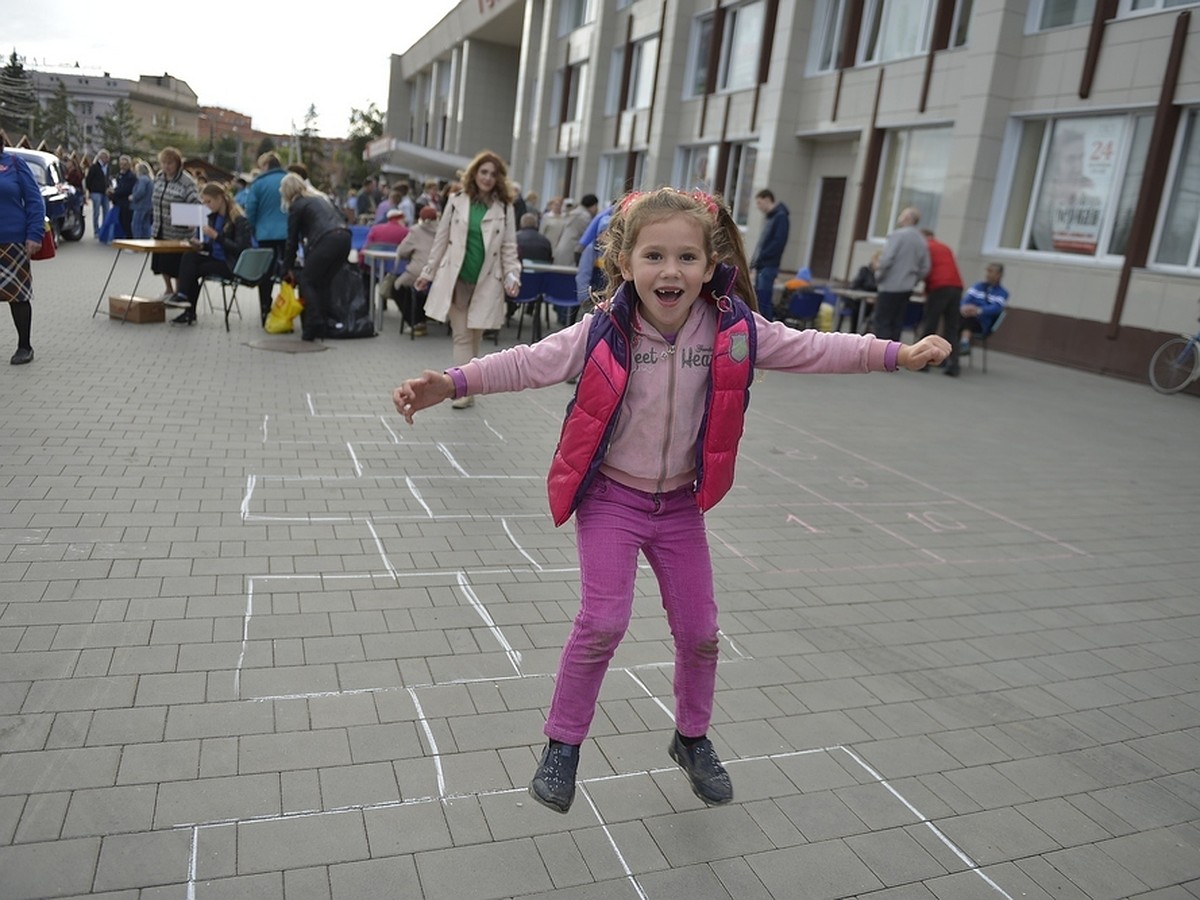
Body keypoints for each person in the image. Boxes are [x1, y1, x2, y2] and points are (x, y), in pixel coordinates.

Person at [391, 187, 951, 814]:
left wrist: (896, 354)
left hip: (678, 507)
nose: (671, 270)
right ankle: (563, 745)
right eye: (654, 255)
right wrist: (455, 380)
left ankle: (691, 738)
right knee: (603, 622)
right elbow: (530, 362)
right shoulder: (604, 329)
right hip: (611, 499)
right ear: (626, 264)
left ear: (709, 269)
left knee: (702, 634)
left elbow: (815, 347)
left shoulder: (733, 329)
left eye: (687, 258)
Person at [414, 149, 521, 409]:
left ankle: (468, 386)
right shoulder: (456, 200)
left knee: (475, 337)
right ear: (474, 174)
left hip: (487, 282)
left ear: (499, 179)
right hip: (457, 280)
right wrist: (427, 273)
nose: (487, 178)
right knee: (462, 336)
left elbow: (508, 246)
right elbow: (441, 240)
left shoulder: (504, 208)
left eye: (493, 174)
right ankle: (461, 391)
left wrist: (512, 276)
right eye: (483, 172)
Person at [162, 183, 253, 325]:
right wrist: (202, 245)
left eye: (209, 201)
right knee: (189, 256)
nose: (206, 205)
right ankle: (183, 298)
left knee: (194, 270)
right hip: (217, 259)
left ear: (220, 199)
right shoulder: (214, 217)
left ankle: (187, 306)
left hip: (230, 264)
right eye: (204, 202)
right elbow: (214, 247)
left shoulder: (238, 219)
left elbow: (241, 248)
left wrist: (217, 236)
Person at [280, 173, 351, 342]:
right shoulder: (320, 199)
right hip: (344, 238)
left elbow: (291, 241)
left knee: (307, 280)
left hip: (327, 240)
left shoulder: (297, 205)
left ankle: (314, 322)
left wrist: (286, 267)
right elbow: (343, 217)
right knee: (323, 282)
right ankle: (323, 324)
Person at [0, 138, 46, 365]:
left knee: (17, 296)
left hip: (12, 241)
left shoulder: (15, 164)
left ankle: (24, 346)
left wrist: (34, 234)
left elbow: (35, 201)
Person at [150, 147, 201, 301]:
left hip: (179, 232)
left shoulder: (186, 181)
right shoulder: (159, 177)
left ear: (178, 164)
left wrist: (192, 220)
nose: (166, 166)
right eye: (163, 163)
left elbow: (196, 203)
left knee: (176, 264)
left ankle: (180, 292)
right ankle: (168, 289)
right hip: (160, 227)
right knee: (161, 263)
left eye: (170, 163)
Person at [244, 153, 288, 325]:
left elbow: (251, 209)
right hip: (287, 234)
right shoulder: (289, 179)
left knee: (266, 273)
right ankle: (286, 307)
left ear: (266, 165)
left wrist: (254, 228)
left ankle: (265, 308)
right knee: (287, 271)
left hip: (265, 234)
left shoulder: (259, 183)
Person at [873, 206, 930, 341]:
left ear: (908, 218)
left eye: (902, 214)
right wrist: (914, 280)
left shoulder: (897, 235)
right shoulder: (921, 239)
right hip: (906, 288)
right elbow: (925, 267)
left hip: (889, 286)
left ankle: (880, 358)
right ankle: (893, 356)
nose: (899, 216)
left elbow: (886, 260)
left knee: (882, 323)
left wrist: (878, 276)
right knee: (897, 323)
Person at [918, 229, 965, 376]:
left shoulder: (925, 247)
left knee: (930, 324)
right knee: (951, 327)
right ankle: (953, 365)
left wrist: (926, 291)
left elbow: (926, 269)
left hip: (938, 287)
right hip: (956, 287)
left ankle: (922, 362)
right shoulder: (945, 247)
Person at [390, 205, 439, 336]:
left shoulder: (416, 231)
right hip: (440, 276)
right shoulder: (443, 230)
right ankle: (424, 317)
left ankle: (416, 322)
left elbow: (402, 251)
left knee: (397, 288)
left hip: (419, 273)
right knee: (424, 291)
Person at [750, 188, 790, 323]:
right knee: (760, 298)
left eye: (760, 203)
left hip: (768, 265)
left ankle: (766, 326)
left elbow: (778, 243)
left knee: (764, 299)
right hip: (763, 265)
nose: (759, 207)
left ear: (767, 199)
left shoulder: (780, 217)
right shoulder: (773, 217)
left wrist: (761, 258)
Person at [960, 262, 1009, 351]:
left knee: (968, 320)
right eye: (987, 271)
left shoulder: (1002, 293)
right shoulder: (978, 286)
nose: (987, 274)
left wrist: (978, 310)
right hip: (966, 316)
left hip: (982, 323)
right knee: (953, 319)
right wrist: (964, 307)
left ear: (999, 275)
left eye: (991, 271)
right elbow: (965, 300)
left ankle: (964, 343)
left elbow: (996, 309)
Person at [553, 194, 598, 266]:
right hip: (571, 252)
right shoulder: (584, 217)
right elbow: (589, 237)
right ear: (593, 205)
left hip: (560, 250)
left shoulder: (573, 213)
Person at [109, 155, 137, 239]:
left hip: (126, 203)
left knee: (127, 222)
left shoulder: (131, 176)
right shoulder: (119, 175)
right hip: (119, 202)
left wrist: (115, 192)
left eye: (125, 164)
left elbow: (127, 189)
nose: (123, 166)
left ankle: (130, 240)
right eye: (121, 164)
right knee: (121, 221)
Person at [86, 149, 111, 236]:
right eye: (106, 157)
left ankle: (104, 230)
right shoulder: (94, 167)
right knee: (96, 212)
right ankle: (96, 230)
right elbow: (88, 179)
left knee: (106, 211)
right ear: (101, 157)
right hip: (96, 192)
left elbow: (107, 179)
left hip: (105, 192)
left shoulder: (107, 167)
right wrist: (91, 189)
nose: (107, 159)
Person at [130, 162, 154, 239]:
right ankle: (146, 241)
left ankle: (137, 244)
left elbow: (141, 191)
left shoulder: (142, 179)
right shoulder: (150, 180)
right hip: (148, 206)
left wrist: (133, 197)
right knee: (146, 225)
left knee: (136, 224)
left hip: (140, 206)